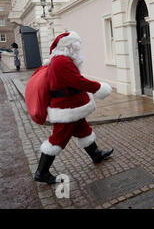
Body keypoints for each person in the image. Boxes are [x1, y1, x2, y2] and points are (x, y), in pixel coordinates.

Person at [34, 31, 114, 184]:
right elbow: (78, 81)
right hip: (66, 108)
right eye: (75, 47)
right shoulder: (62, 61)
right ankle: (41, 172)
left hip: (71, 107)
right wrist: (99, 88)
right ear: (68, 47)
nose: (77, 50)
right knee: (57, 140)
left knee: (84, 130)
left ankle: (96, 155)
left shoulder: (60, 60)